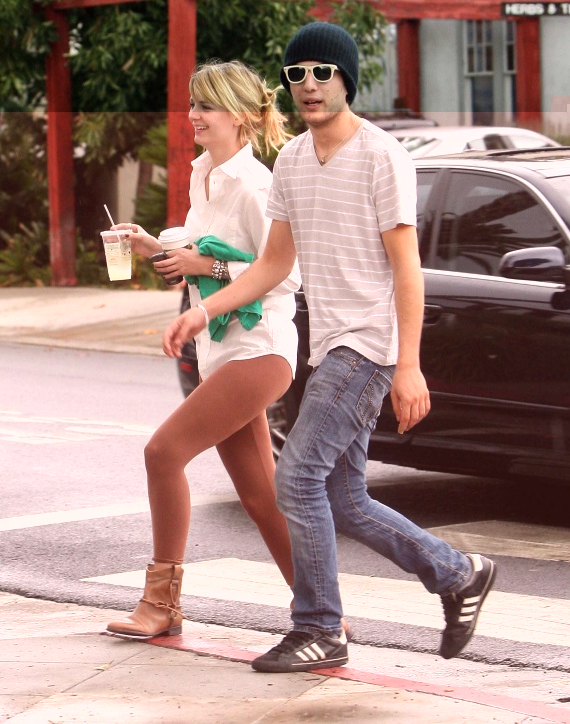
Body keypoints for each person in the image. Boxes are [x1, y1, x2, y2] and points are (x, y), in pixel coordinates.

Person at [163, 23, 497, 672]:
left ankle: (319, 627)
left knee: (296, 476)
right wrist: (204, 310)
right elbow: (272, 264)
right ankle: (459, 573)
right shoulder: (291, 161)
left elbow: (406, 268)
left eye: (323, 72)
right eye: (297, 74)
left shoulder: (380, 156)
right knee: (343, 498)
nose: (310, 85)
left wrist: (408, 365)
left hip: (368, 344)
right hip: (328, 347)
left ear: (346, 79)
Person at [106, 60, 302, 639]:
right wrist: (151, 245)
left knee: (163, 453)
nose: (193, 115)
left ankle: (160, 603)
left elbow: (286, 274)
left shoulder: (256, 186)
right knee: (261, 497)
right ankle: (322, 610)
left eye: (207, 105)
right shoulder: (204, 175)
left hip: (259, 347)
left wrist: (205, 271)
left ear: (240, 115)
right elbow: (196, 250)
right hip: (222, 351)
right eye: (193, 104)